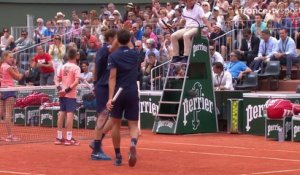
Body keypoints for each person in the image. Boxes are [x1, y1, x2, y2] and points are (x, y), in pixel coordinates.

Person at [106, 29, 139, 167]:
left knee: (116, 124)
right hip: (132, 91)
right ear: (129, 40)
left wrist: (110, 98)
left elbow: (112, 78)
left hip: (118, 93)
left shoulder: (113, 56)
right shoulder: (135, 54)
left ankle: (118, 156)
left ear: (117, 40)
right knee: (133, 124)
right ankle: (132, 143)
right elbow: (130, 45)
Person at [90, 29, 117, 160]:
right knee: (102, 116)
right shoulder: (107, 49)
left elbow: (95, 69)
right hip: (104, 86)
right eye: (117, 37)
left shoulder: (102, 50)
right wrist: (96, 84)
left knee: (114, 116)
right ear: (111, 38)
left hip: (106, 86)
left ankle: (97, 140)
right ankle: (96, 150)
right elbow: (95, 69)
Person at [54, 48, 80, 146]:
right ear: (76, 56)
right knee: (70, 114)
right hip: (70, 94)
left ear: (68, 56)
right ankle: (69, 138)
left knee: (61, 113)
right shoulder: (76, 67)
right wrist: (66, 90)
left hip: (62, 93)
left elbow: (56, 79)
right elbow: (76, 82)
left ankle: (59, 137)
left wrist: (60, 89)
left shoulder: (63, 66)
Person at [0, 51, 23, 141]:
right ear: (5, 57)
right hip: (9, 91)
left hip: (2, 90)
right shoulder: (8, 67)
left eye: (12, 57)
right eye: (10, 57)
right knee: (8, 114)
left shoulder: (2, 66)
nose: (12, 59)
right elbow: (18, 77)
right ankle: (10, 136)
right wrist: (18, 70)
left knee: (1, 113)